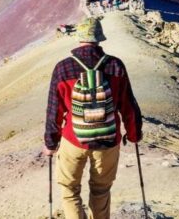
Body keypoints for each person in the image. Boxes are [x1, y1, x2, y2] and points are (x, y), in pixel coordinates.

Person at [43, 17, 142, 219]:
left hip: (74, 140)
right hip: (108, 141)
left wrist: (50, 143)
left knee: (70, 190)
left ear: (79, 38)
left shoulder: (63, 68)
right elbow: (128, 105)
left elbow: (54, 110)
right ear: (99, 39)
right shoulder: (115, 66)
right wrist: (134, 135)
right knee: (101, 190)